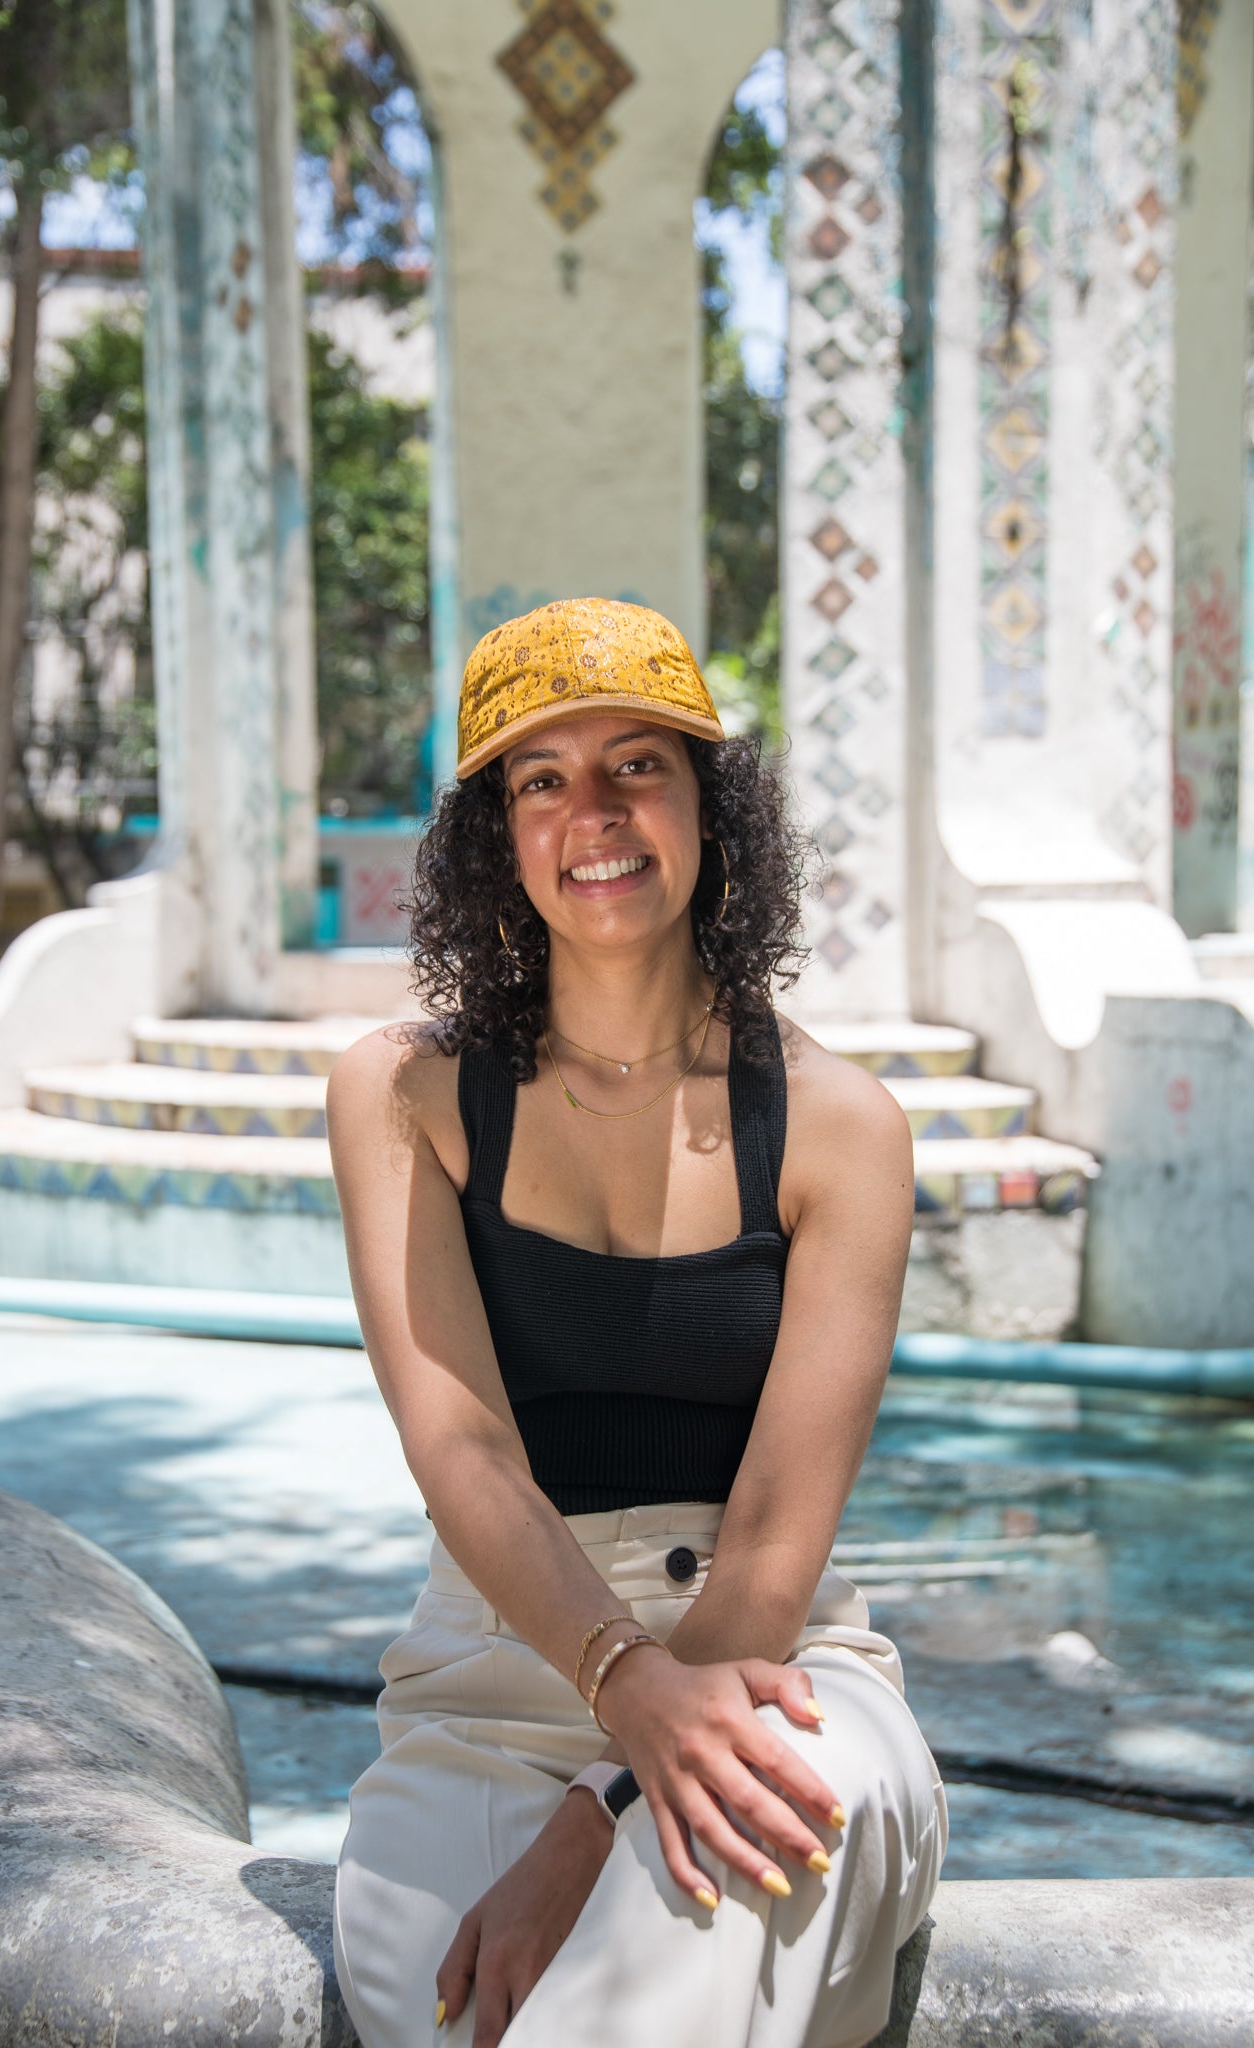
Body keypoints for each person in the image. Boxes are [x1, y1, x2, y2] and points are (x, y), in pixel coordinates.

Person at [327, 597, 947, 2048]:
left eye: (636, 766)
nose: (591, 813)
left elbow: (779, 1547)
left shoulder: (838, 1129)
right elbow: (460, 1445)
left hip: (769, 1673)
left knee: (686, 1923)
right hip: (493, 1678)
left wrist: (599, 1814)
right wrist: (617, 1693)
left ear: (710, 811)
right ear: (496, 837)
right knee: (459, 2016)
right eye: (540, 780)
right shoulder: (403, 1096)